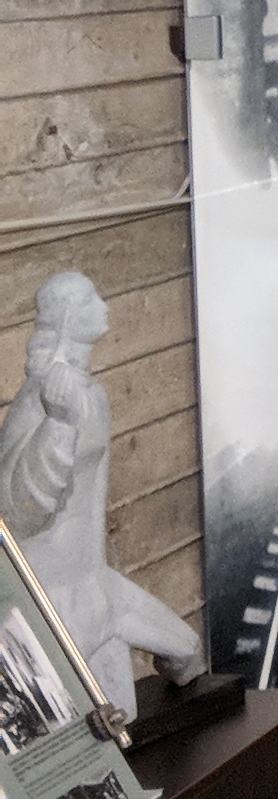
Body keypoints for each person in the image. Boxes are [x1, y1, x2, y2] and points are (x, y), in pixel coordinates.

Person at [0, 274, 207, 719]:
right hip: (54, 593)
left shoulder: (93, 393)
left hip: (93, 578)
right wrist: (58, 424)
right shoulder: (39, 396)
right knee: (96, 722)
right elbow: (14, 509)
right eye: (91, 299)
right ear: (70, 318)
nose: (104, 305)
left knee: (189, 655)